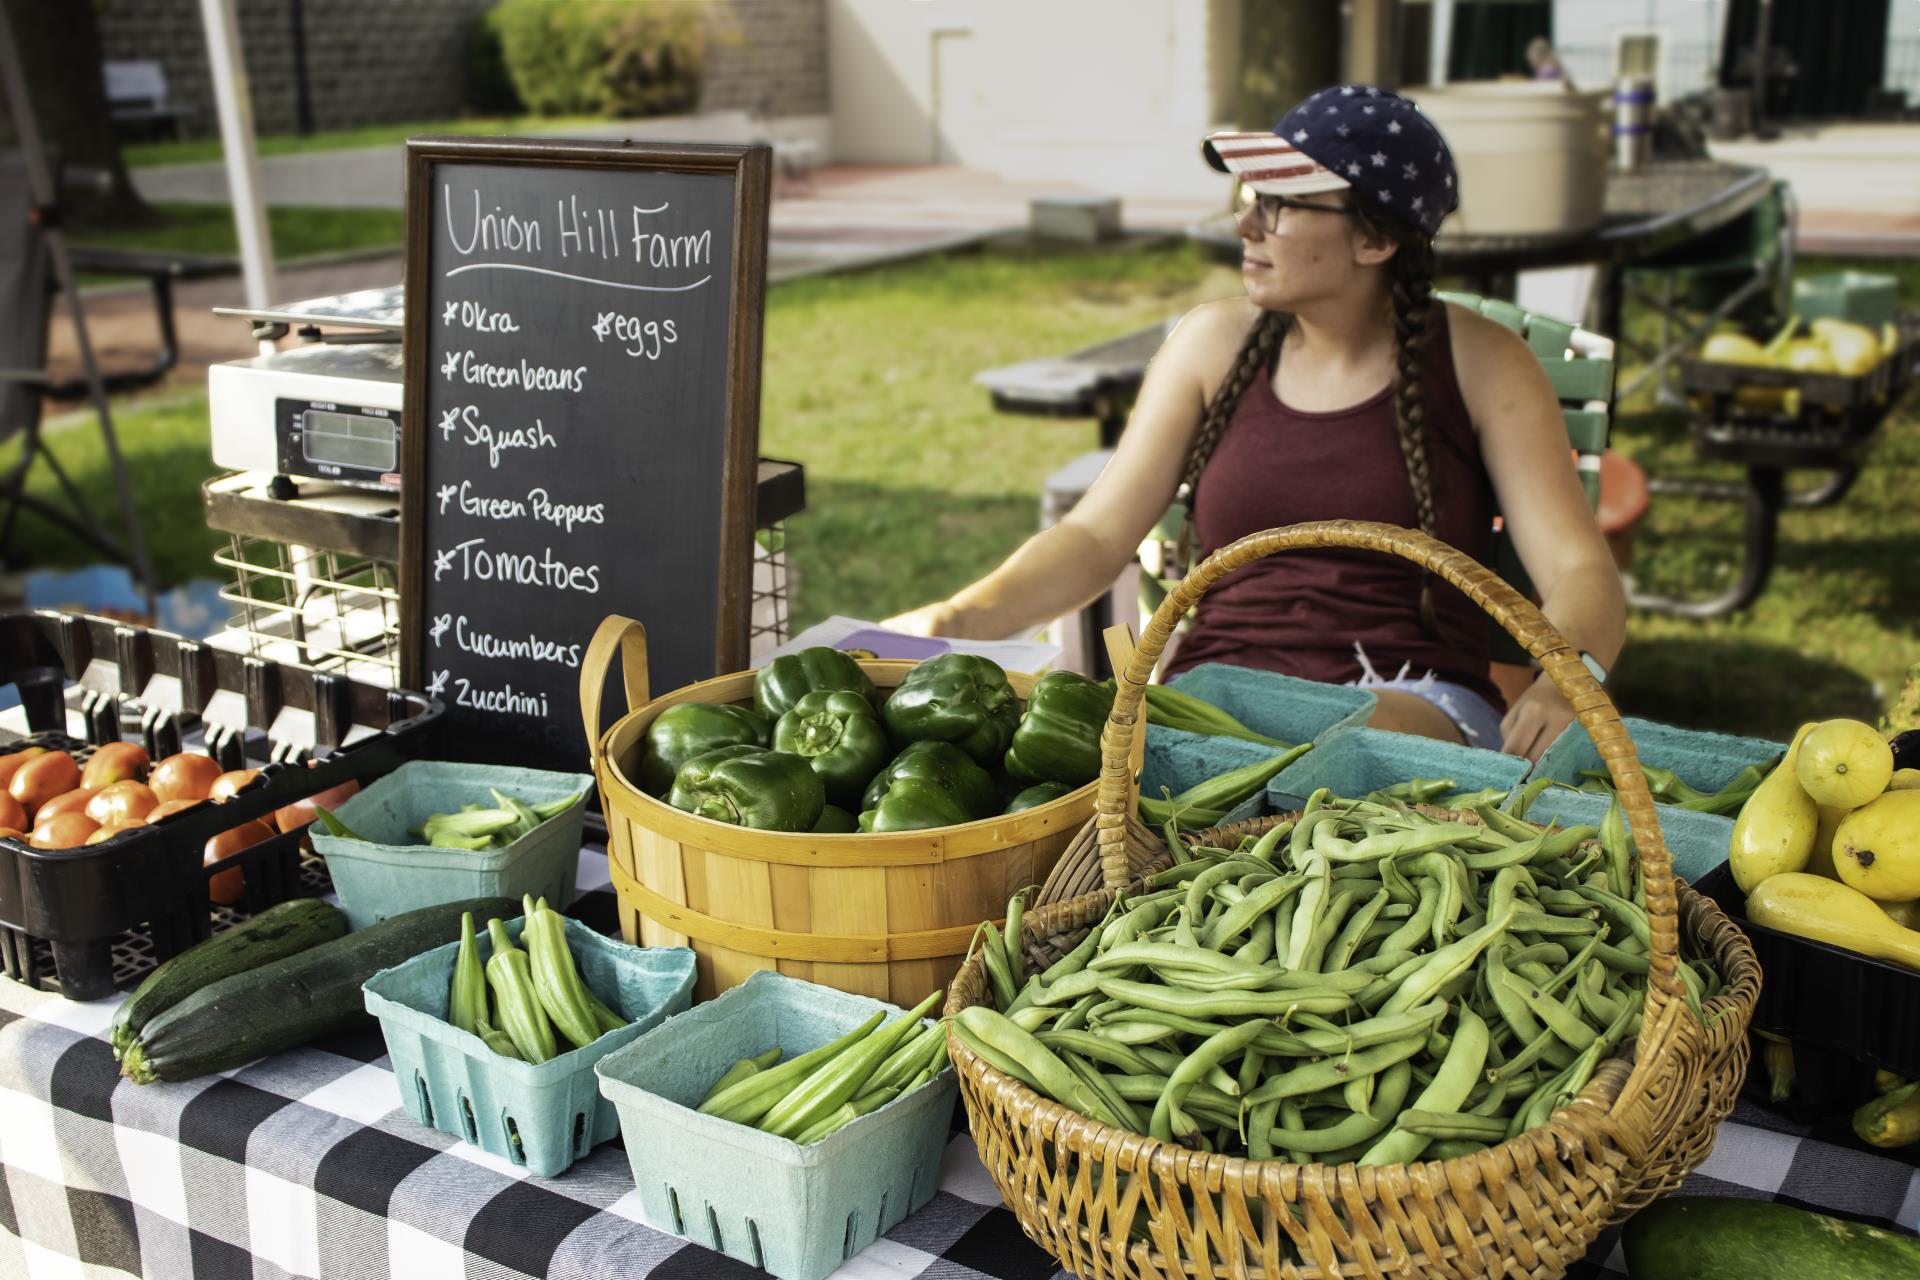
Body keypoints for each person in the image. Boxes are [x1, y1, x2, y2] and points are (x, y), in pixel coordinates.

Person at [883, 85, 1624, 762]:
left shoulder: (1483, 363)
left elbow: (1577, 569)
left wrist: (1566, 682)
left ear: (1376, 240)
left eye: (1280, 204)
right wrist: (965, 617)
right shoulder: (1211, 345)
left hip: (1410, 708)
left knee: (1339, 752)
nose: (1244, 224)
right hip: (1215, 705)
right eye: (1248, 196)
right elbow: (1097, 536)